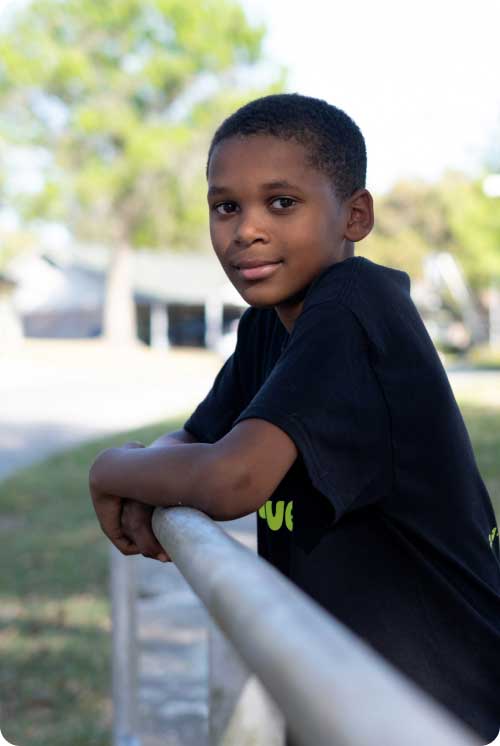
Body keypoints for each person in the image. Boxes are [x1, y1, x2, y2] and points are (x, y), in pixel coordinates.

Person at [89, 93, 500, 743]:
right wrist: (149, 472)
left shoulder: (353, 306)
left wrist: (112, 467)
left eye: (281, 203)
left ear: (354, 216)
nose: (246, 229)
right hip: (334, 685)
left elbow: (232, 480)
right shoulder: (268, 325)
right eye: (226, 206)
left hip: (425, 701)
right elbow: (197, 439)